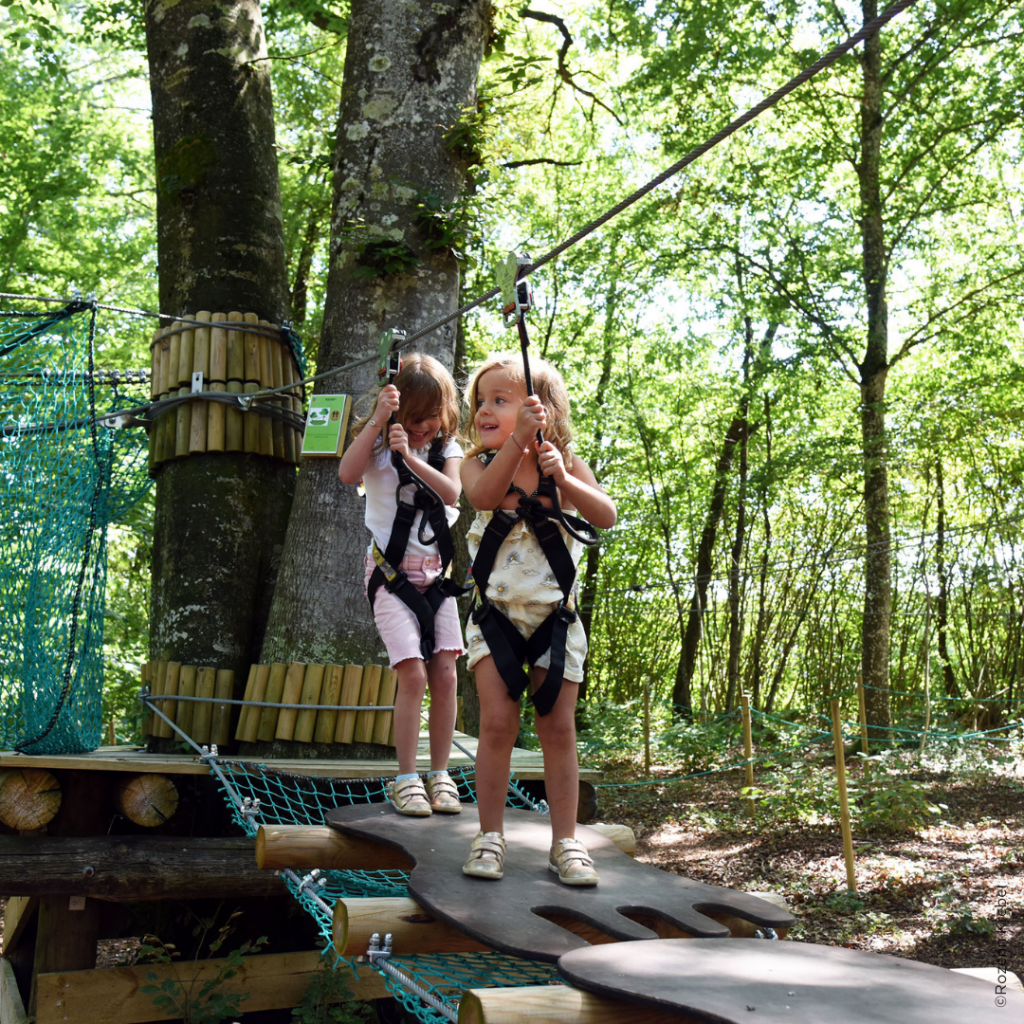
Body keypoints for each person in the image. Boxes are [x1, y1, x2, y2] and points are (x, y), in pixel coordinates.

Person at [459, 352, 616, 885]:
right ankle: (489, 836)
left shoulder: (564, 461)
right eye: (481, 401)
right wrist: (514, 441)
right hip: (496, 617)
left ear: (541, 409)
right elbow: (482, 497)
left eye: (500, 400)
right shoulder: (477, 462)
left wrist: (562, 479)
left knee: (558, 728)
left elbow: (604, 515)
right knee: (497, 725)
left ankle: (566, 842)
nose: (484, 409)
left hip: (556, 618)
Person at [338, 353, 465, 816]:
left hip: (436, 576)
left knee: (446, 672)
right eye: (413, 418)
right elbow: (348, 474)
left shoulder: (445, 447)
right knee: (411, 672)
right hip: (390, 576)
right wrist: (378, 423)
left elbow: (451, 494)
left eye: (432, 417)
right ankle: (407, 777)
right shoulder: (375, 442)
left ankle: (440, 773)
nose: (424, 425)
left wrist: (410, 456)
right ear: (395, 412)